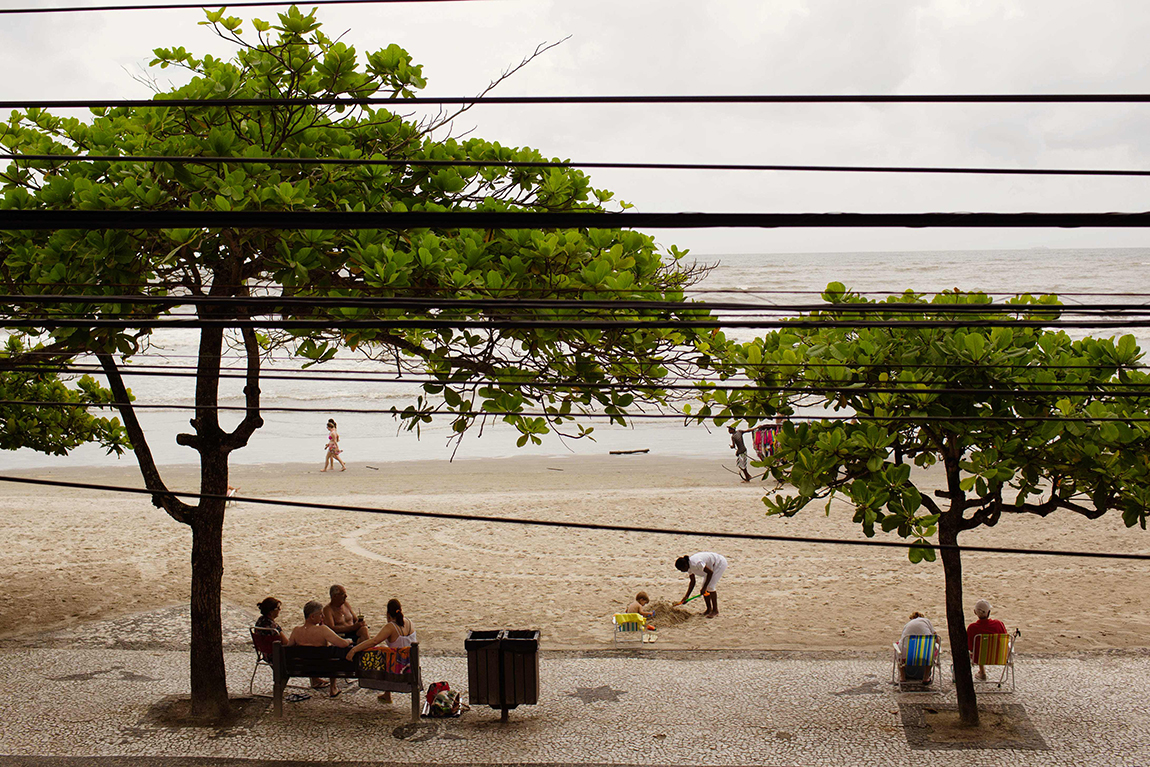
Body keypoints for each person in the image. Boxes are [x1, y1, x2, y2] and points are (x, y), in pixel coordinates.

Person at [347, 598, 416, 703]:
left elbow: (374, 641)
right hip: (411, 662)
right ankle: (387, 694)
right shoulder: (410, 622)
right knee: (388, 652)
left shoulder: (391, 627)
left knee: (381, 652)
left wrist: (354, 650)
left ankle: (370, 683)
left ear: (388, 613)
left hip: (398, 667)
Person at [285, 600, 352, 697]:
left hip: (303, 668)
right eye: (321, 615)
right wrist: (349, 640)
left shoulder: (296, 630)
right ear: (312, 616)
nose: (323, 617)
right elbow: (342, 644)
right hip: (325, 668)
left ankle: (315, 680)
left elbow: (289, 648)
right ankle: (333, 688)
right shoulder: (323, 630)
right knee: (333, 655)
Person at [674, 552, 728, 618]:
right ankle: (708, 609)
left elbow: (710, 573)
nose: (681, 571)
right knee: (705, 588)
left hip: (719, 563)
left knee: (710, 587)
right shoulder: (688, 567)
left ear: (685, 565)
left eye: (681, 569)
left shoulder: (696, 563)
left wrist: (704, 588)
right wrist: (686, 596)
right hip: (709, 568)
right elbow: (692, 582)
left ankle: (715, 610)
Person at [966, 599, 1007, 680]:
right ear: (989, 612)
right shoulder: (998, 624)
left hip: (979, 657)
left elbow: (970, 647)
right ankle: (982, 672)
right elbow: (1004, 640)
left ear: (975, 612)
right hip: (999, 656)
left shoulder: (972, 628)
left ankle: (982, 672)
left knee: (979, 649)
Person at [898, 611, 939, 684]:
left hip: (908, 655)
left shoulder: (907, 625)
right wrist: (937, 649)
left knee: (898, 648)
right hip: (926, 654)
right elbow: (936, 637)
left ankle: (902, 677)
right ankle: (926, 677)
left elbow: (903, 640)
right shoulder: (926, 621)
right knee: (930, 649)